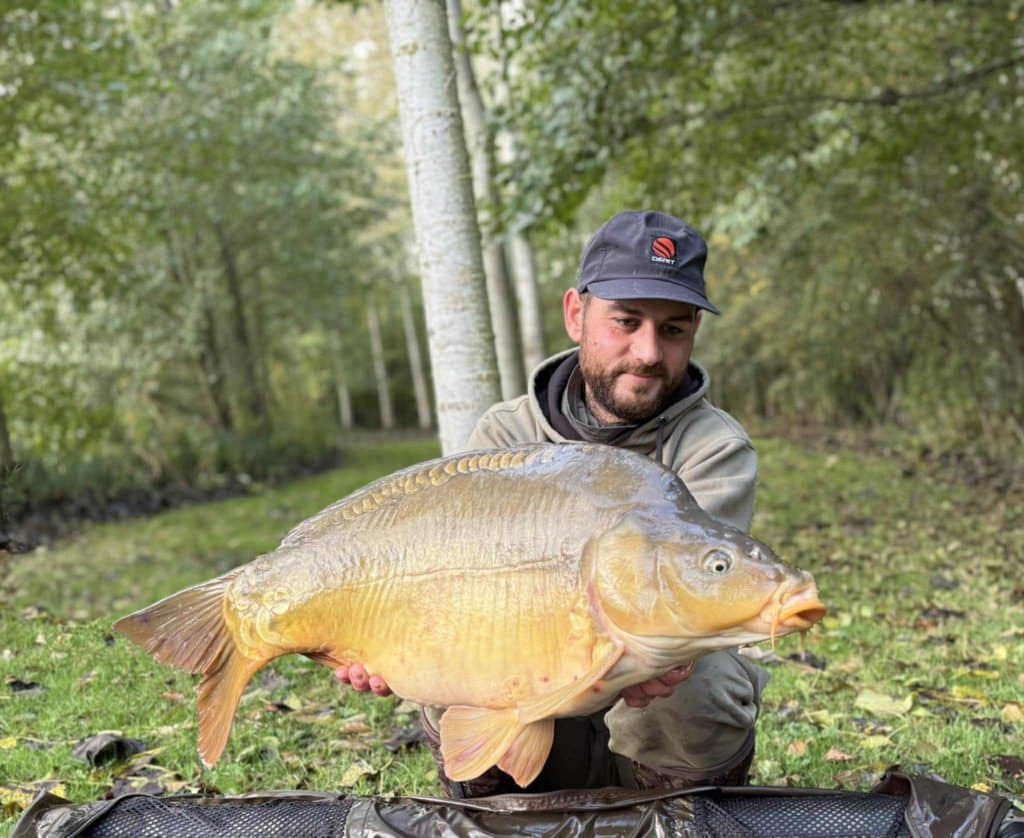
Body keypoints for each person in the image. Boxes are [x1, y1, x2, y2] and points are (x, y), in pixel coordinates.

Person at [336, 210, 767, 797]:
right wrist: (384, 643)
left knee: (702, 676)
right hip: (537, 714)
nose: (647, 352)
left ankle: (670, 813)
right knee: (459, 654)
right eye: (625, 321)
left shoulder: (714, 448)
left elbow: (699, 599)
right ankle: (513, 814)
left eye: (673, 329)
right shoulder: (505, 437)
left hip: (647, 721)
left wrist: (673, 657)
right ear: (575, 314)